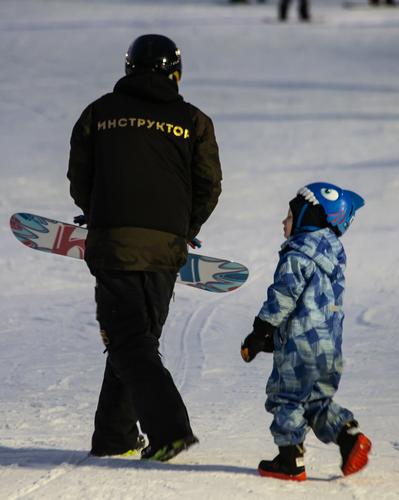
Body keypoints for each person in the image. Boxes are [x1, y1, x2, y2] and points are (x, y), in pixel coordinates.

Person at [67, 34, 222, 461]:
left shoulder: (99, 113)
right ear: (176, 73)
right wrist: (182, 229)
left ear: (129, 68)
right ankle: (115, 436)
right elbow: (209, 185)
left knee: (129, 341)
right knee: (135, 338)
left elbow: (80, 174)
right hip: (164, 250)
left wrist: (97, 211)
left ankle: (169, 431)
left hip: (115, 244)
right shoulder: (193, 120)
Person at [240, 182, 371, 481]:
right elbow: (312, 305)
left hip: (300, 346)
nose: (283, 222)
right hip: (329, 347)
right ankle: (349, 438)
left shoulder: (297, 254)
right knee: (315, 401)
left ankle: (290, 461)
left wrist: (261, 332)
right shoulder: (333, 256)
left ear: (307, 219)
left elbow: (284, 296)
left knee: (286, 398)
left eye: (289, 216)